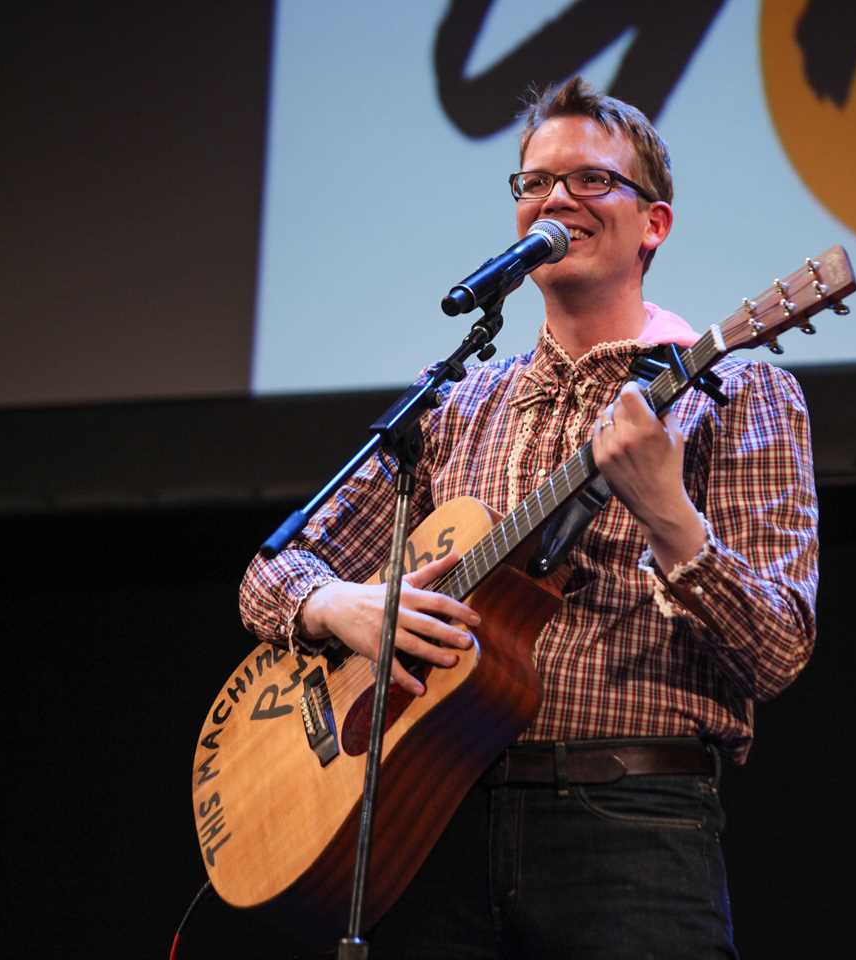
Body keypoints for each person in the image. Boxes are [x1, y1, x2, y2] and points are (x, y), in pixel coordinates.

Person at [239, 76, 818, 958]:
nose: (556, 198)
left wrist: (670, 517)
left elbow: (777, 649)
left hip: (629, 826)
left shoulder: (737, 393)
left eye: (590, 180)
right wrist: (344, 609)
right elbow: (269, 574)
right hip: (427, 823)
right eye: (535, 183)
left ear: (652, 224)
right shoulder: (457, 406)